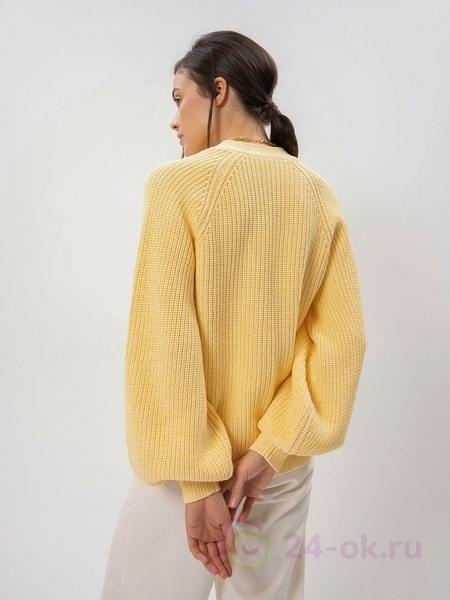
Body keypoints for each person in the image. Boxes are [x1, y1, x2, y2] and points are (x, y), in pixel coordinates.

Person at [100, 30, 366, 600]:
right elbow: (340, 343)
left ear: (218, 91)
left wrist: (199, 480)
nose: (174, 120)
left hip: (184, 474)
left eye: (180, 98)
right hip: (276, 471)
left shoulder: (176, 185)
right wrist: (272, 450)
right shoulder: (316, 193)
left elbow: (165, 338)